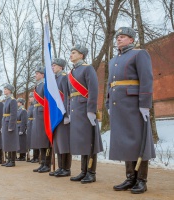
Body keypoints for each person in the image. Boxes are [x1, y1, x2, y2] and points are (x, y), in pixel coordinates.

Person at [106, 27, 155, 194]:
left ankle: (141, 179)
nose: (119, 39)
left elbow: (146, 79)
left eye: (123, 37)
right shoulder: (113, 60)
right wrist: (108, 104)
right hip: (119, 106)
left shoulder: (139, 54)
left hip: (134, 105)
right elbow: (110, 84)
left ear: (131, 40)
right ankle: (130, 178)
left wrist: (144, 104)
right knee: (126, 142)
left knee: (138, 140)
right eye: (118, 37)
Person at [68, 44, 103, 183]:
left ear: (81, 55)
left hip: (85, 109)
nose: (71, 55)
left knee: (89, 141)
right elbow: (71, 94)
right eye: (71, 52)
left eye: (74, 52)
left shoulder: (88, 69)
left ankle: (91, 172)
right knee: (82, 141)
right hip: (76, 110)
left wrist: (91, 110)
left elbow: (93, 90)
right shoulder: (72, 72)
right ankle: (83, 171)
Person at [50, 58, 72, 177]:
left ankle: (66, 168)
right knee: (58, 143)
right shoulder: (56, 79)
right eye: (52, 65)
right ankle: (60, 167)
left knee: (64, 142)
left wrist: (67, 114)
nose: (53, 67)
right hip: (57, 115)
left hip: (63, 115)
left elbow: (67, 97)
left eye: (55, 65)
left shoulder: (64, 77)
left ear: (61, 67)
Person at [31, 67, 52, 173]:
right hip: (38, 114)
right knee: (40, 140)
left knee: (45, 140)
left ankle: (47, 163)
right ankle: (42, 162)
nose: (36, 75)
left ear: (43, 75)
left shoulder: (45, 85)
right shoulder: (38, 86)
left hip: (43, 114)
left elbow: (48, 101)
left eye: (38, 73)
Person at [1, 83, 19, 167]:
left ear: (10, 91)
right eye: (4, 89)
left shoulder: (12, 100)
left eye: (6, 89)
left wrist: (11, 126)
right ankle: (9, 160)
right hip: (5, 122)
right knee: (7, 142)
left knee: (12, 142)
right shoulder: (7, 100)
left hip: (10, 123)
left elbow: (13, 114)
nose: (4, 90)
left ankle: (12, 161)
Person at [26, 92, 38, 163]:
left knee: (35, 140)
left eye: (31, 97)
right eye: (29, 97)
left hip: (34, 122)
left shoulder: (35, 105)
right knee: (31, 141)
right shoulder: (30, 106)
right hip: (30, 123)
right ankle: (34, 156)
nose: (30, 99)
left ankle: (36, 156)